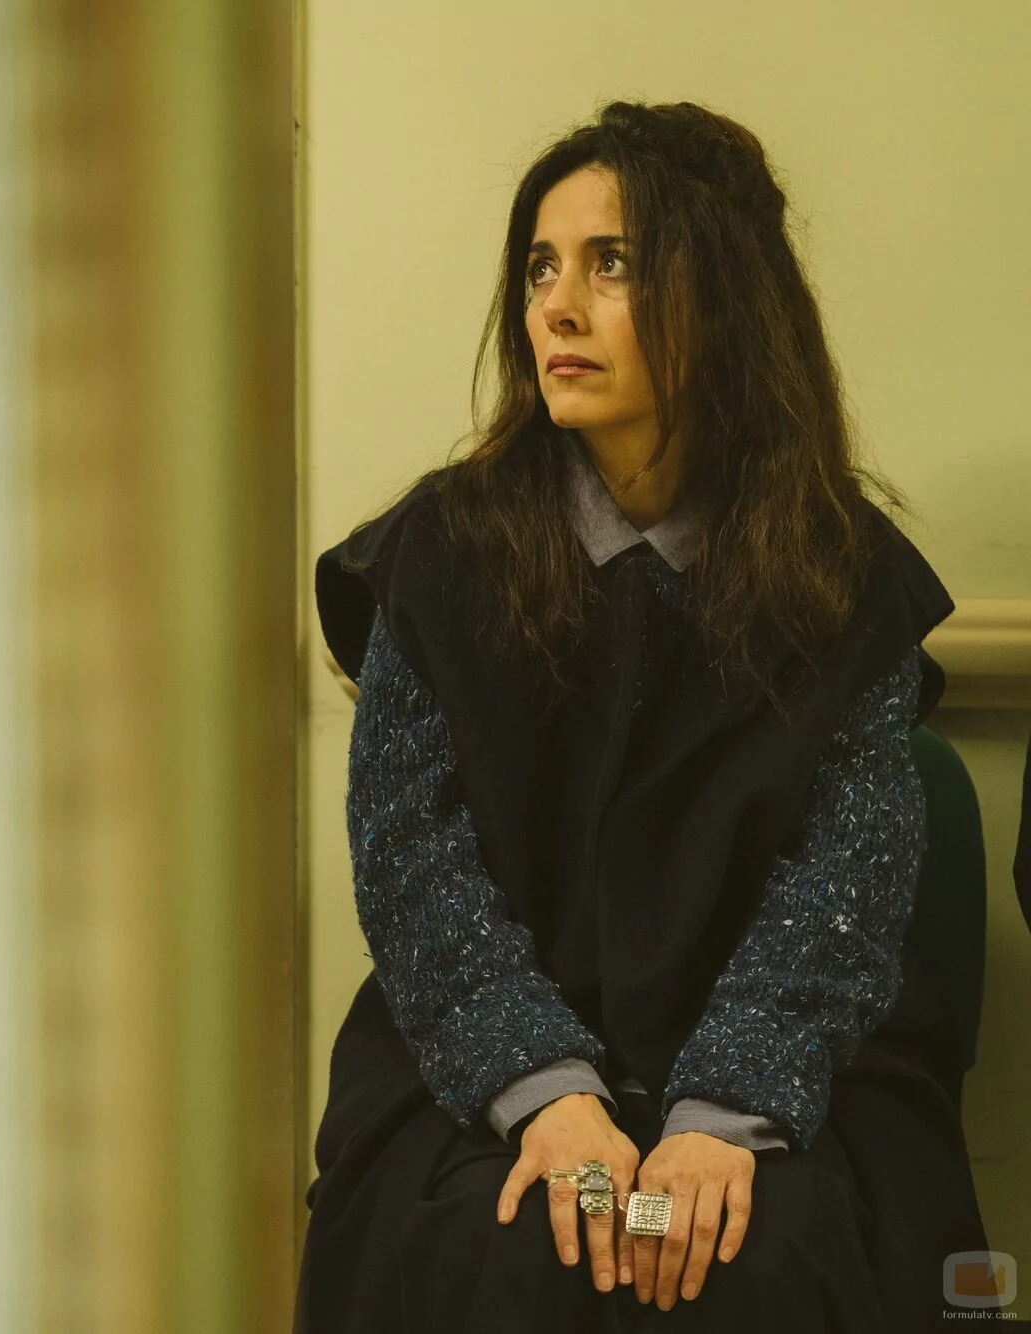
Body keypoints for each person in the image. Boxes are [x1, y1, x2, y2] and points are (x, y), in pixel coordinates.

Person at [293, 100, 989, 1332]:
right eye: (538, 267)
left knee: (758, 1253)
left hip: (779, 1055)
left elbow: (842, 886)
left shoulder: (843, 573)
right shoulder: (437, 552)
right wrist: (547, 1092)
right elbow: (412, 867)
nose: (554, 307)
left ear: (721, 296)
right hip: (486, 1054)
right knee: (512, 1244)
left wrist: (723, 1116)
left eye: (608, 263)